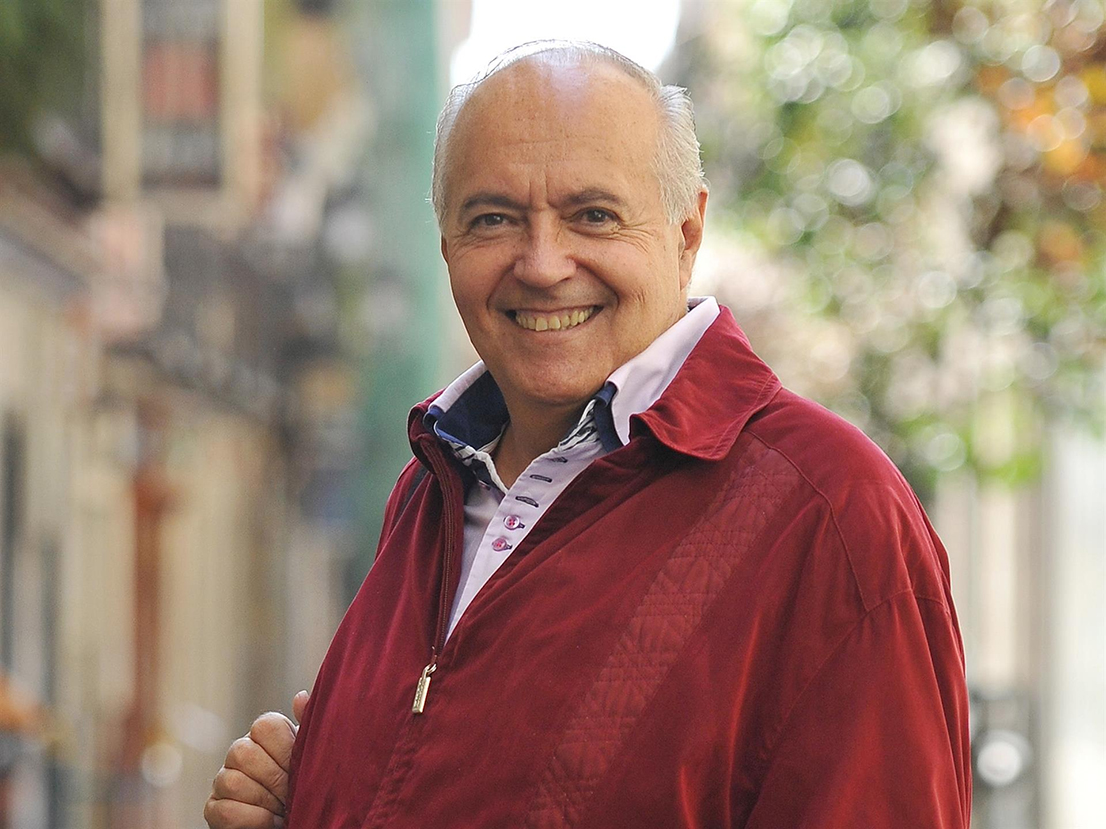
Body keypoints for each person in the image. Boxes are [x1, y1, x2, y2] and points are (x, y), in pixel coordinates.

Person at [205, 41, 972, 829]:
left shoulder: (832, 514)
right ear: (447, 248)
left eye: (593, 216)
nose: (542, 264)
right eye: (494, 219)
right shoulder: (432, 484)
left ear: (686, 233)